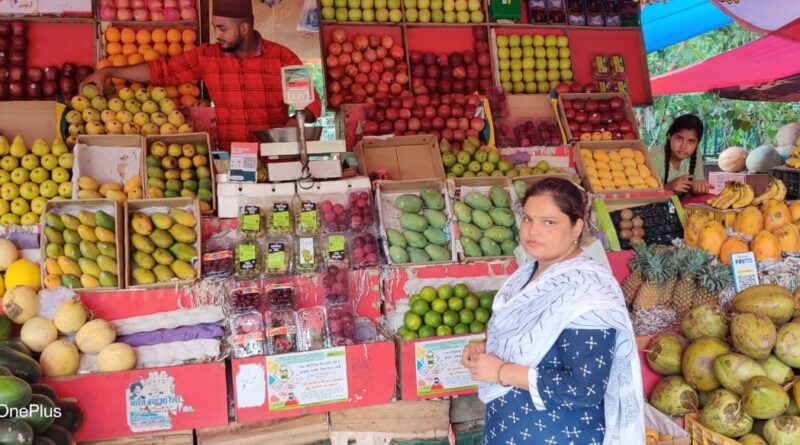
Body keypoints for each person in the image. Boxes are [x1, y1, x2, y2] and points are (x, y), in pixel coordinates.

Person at [462, 177, 644, 445]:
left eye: (549, 222)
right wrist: (489, 349)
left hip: (558, 435)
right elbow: (539, 342)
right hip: (509, 429)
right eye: (527, 219)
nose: (533, 231)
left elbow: (584, 389)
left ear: (576, 227)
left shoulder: (586, 293)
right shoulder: (530, 273)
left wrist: (501, 371)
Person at [79, 0, 321, 151]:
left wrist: (291, 126)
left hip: (277, 159)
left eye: (222, 28)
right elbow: (160, 71)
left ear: (244, 28)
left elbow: (312, 102)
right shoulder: (207, 57)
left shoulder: (282, 57)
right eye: (215, 27)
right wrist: (108, 71)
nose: (217, 34)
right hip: (233, 161)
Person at [649, 114, 712, 195]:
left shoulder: (695, 152)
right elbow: (643, 197)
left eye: (691, 141)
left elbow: (697, 182)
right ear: (669, 136)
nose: (684, 146)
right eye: (679, 138)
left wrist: (699, 187)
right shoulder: (654, 157)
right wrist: (668, 187)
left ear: (697, 143)